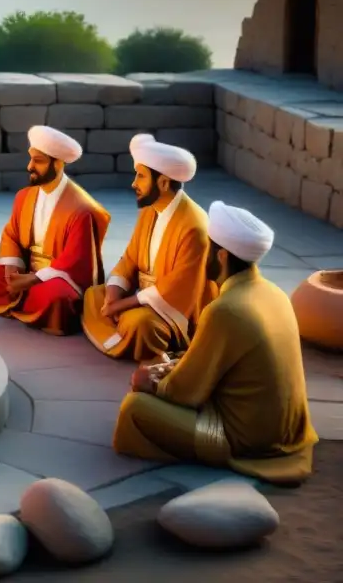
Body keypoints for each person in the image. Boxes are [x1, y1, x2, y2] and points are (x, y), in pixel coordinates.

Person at [113, 201, 319, 484]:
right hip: (282, 429)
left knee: (135, 407)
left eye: (206, 248)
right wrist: (171, 365)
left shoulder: (225, 309)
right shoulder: (274, 293)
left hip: (245, 439)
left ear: (221, 256)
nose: (202, 255)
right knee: (162, 364)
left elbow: (184, 392)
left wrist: (150, 382)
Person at [0, 126, 110, 335]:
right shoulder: (25, 196)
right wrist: (12, 267)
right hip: (26, 270)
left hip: (59, 278)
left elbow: (77, 261)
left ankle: (29, 300)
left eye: (38, 161)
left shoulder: (82, 209)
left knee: (57, 299)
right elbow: (11, 235)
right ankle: (25, 298)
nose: (29, 166)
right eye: (30, 158)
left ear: (58, 163)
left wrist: (34, 279)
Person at [82, 134, 217, 361]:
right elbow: (130, 258)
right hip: (140, 296)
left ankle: (131, 333)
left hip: (173, 310)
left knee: (139, 324)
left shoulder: (194, 225)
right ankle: (122, 329)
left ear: (163, 183)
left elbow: (177, 289)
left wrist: (120, 306)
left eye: (141, 176)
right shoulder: (149, 209)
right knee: (93, 296)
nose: (134, 183)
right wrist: (113, 296)